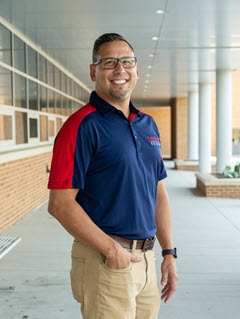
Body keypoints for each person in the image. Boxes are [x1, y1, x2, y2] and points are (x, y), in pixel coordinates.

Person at [48, 32, 178, 319]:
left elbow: (157, 193)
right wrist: (112, 251)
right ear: (94, 71)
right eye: (109, 62)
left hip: (146, 259)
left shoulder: (147, 124)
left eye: (127, 62)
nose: (120, 70)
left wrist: (169, 252)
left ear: (137, 70)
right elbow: (60, 204)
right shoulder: (81, 126)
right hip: (106, 259)